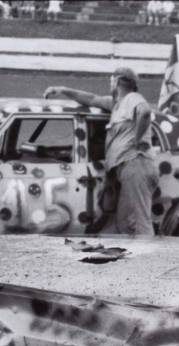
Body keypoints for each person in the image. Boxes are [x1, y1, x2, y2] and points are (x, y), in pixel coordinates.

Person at [43, 67, 158, 235]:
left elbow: (145, 112)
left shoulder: (132, 98)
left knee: (137, 223)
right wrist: (63, 90)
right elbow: (91, 99)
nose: (110, 83)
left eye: (111, 79)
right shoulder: (118, 104)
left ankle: (149, 252)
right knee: (126, 222)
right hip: (128, 168)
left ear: (117, 81)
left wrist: (138, 139)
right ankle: (139, 250)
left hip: (136, 165)